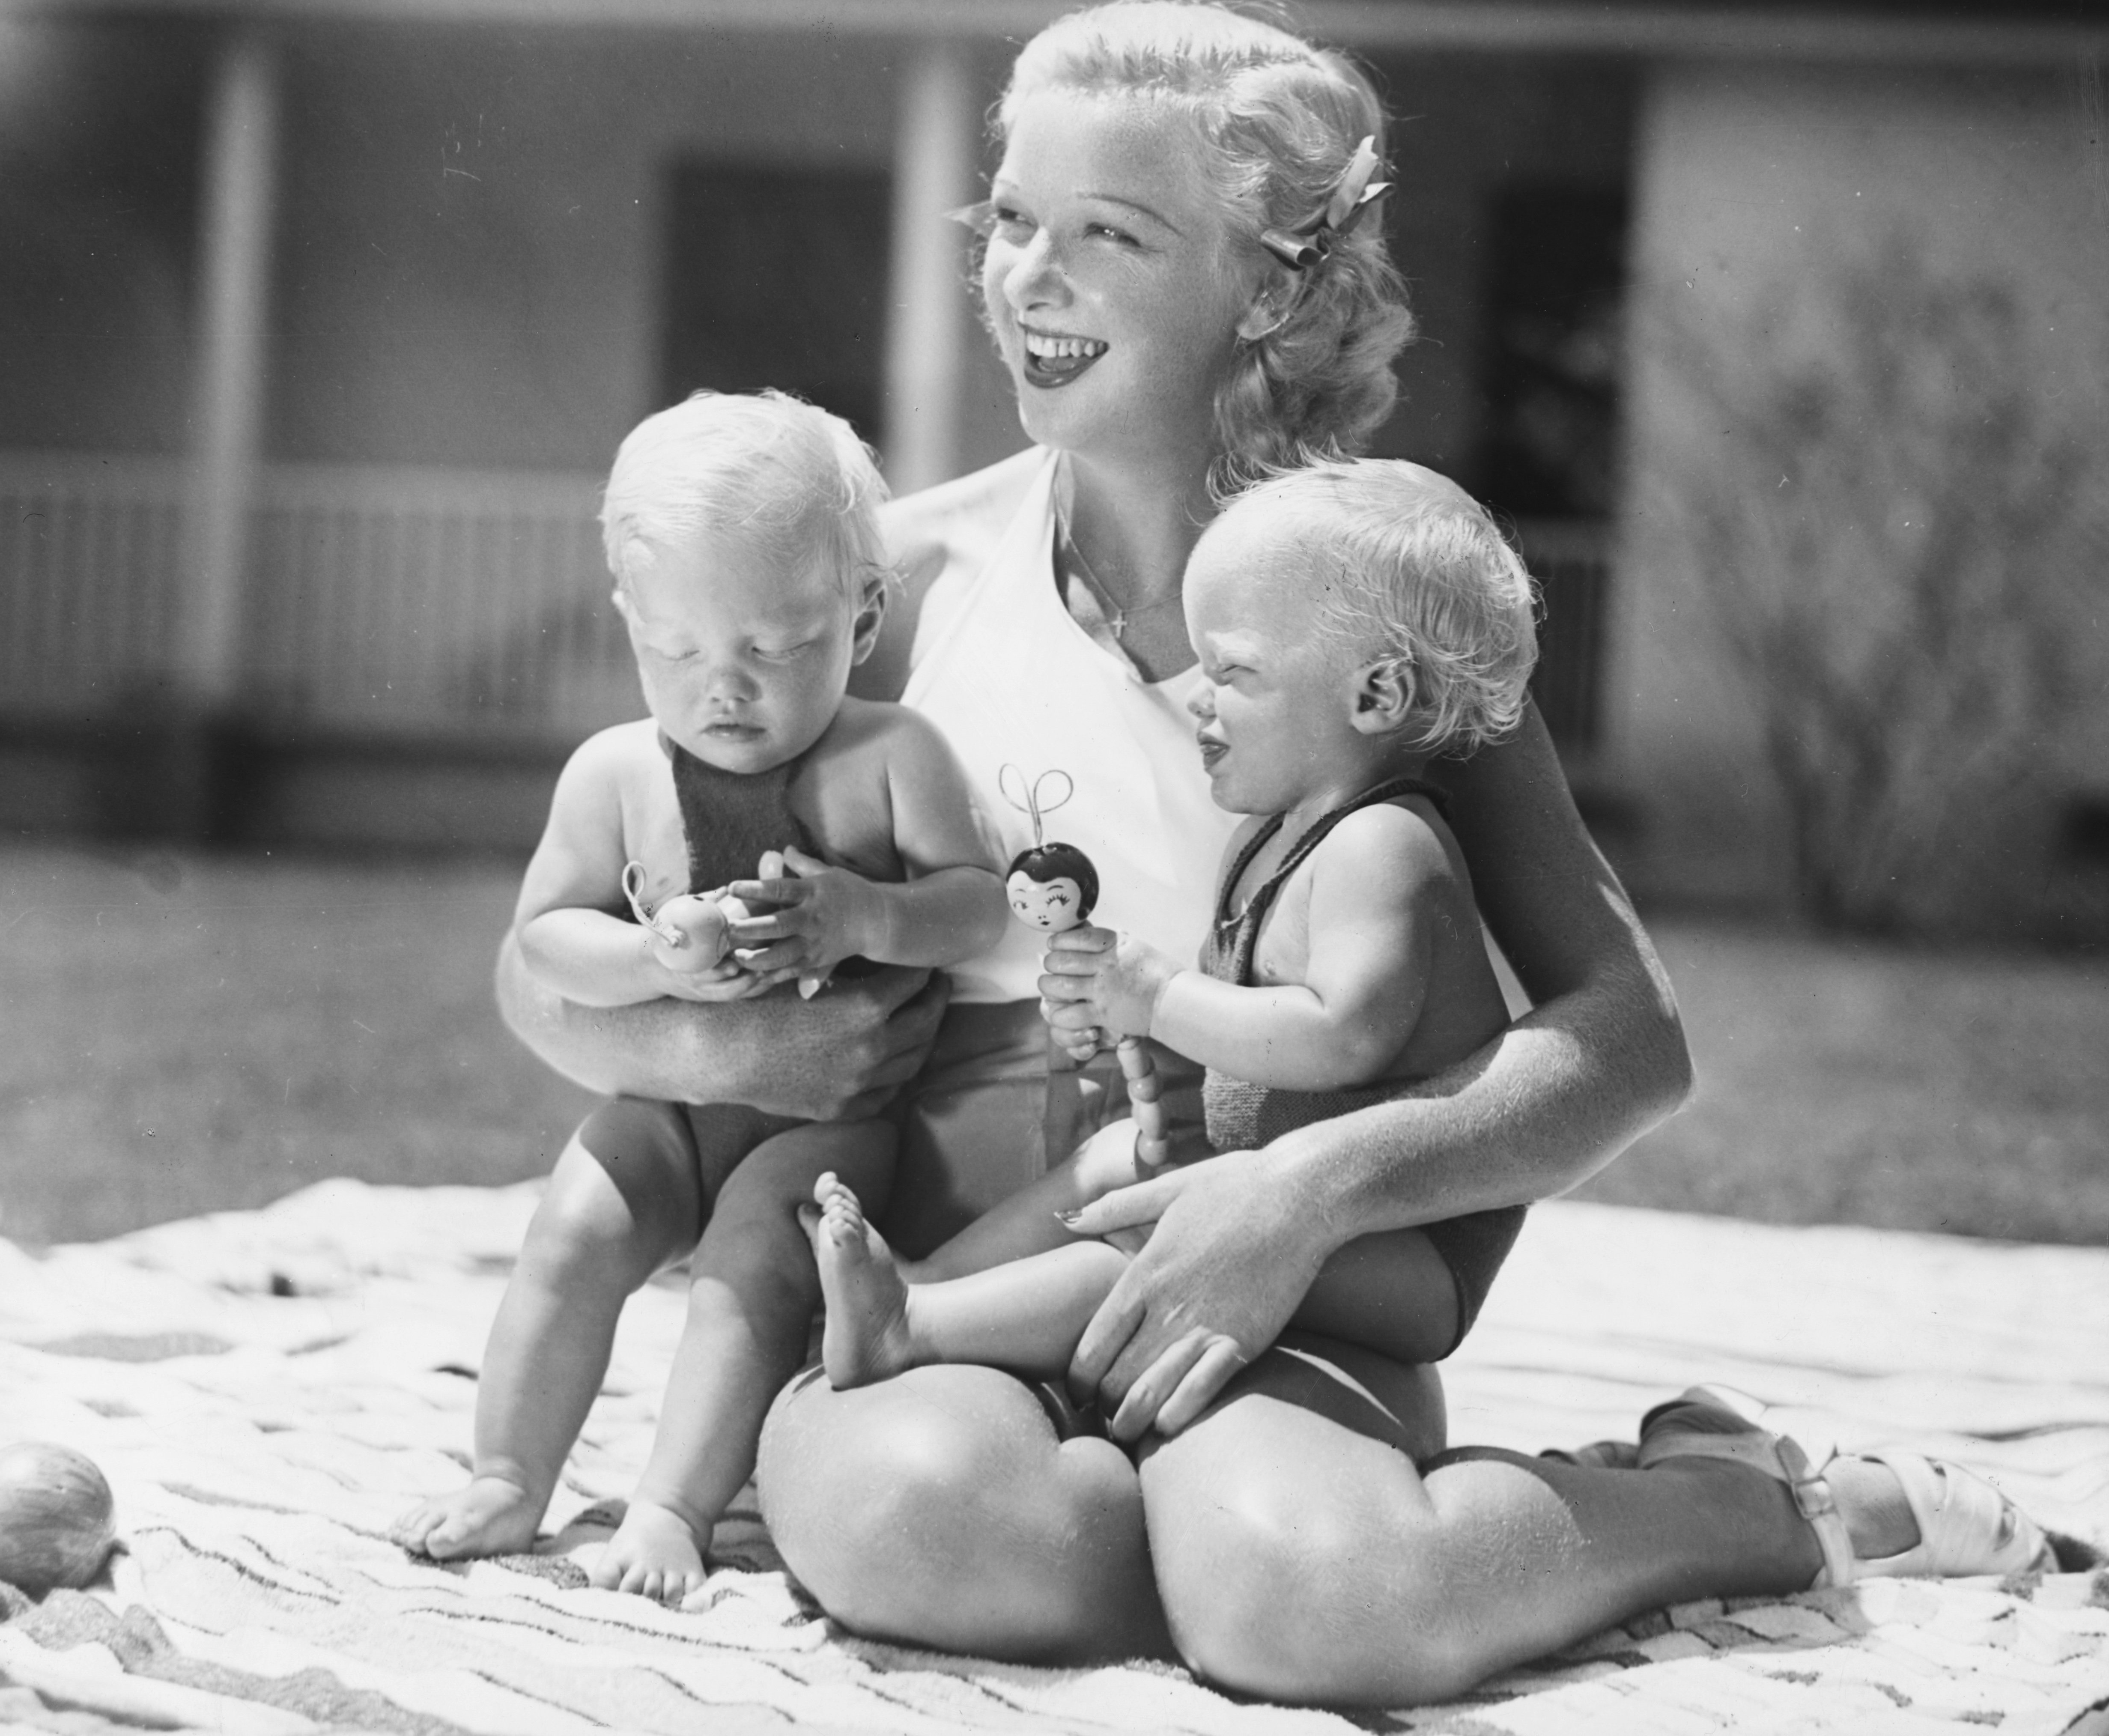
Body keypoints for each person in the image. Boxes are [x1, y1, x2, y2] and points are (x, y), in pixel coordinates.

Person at [499, 2, 2048, 1705]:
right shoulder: (889, 582)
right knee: (928, 1530)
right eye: (1011, 218)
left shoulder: (1371, 606)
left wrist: (1299, 1192)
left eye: (1110, 232)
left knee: (1321, 1610)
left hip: (1276, 1292)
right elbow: (554, 966)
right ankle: (1177, 1525)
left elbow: (1625, 1036)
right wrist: (720, 1039)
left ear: (1267, 283)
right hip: (958, 1282)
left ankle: (1730, 1494)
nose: (1031, 274)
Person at [391, 391, 1008, 1605]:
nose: (722, 688)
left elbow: (975, 904)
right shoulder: (615, 770)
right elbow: (549, 934)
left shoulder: (891, 758)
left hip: (828, 1121)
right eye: (676, 651)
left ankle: (673, 1501)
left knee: (748, 1259)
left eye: (771, 649)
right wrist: (649, 964)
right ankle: (510, 1470)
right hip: (667, 1107)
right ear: (630, 620)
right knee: (573, 1223)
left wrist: (867, 912)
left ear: (861, 615)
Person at [808, 456, 1539, 1408]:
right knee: (1117, 1159)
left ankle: (919, 1328)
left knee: (1172, 1237)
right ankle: (924, 1284)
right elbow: (1252, 1023)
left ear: (1375, 696)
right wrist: (1139, 1039)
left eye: (1232, 671)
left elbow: (1346, 1033)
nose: (1198, 696)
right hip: (1283, 1191)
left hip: (1407, 1250)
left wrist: (1159, 997)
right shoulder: (1270, 837)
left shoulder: (1383, 846)